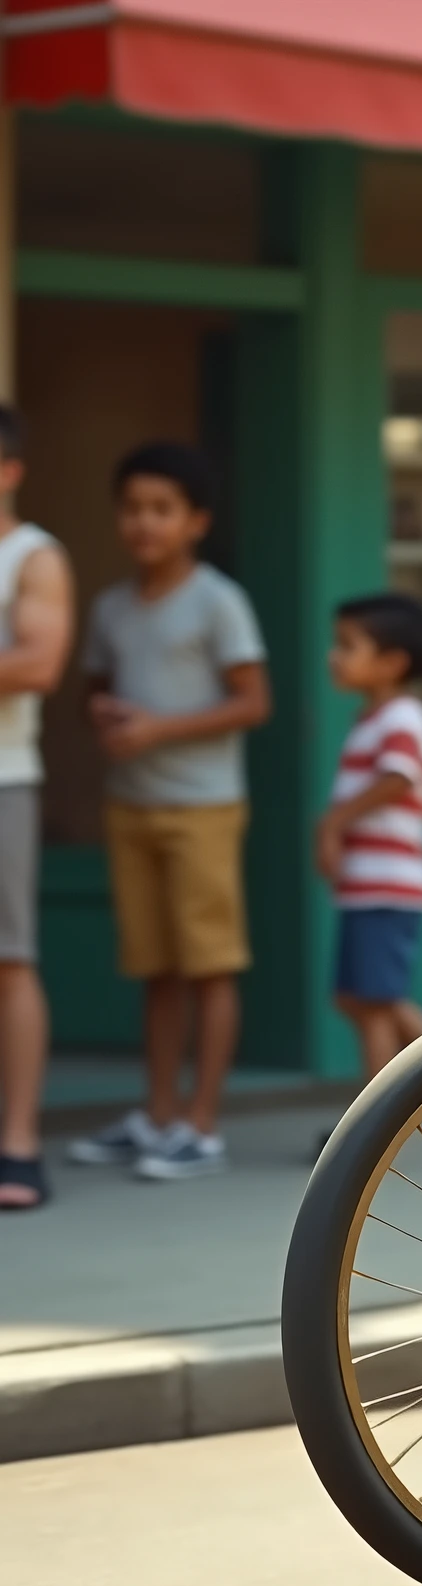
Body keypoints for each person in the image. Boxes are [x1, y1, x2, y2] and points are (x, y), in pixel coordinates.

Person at [67, 443, 270, 1179]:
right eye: (132, 508)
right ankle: (157, 1116)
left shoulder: (218, 599)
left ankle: (202, 1125)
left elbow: (253, 701)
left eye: (162, 509)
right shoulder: (110, 606)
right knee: (156, 970)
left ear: (196, 521)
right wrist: (110, 716)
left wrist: (156, 728)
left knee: (209, 968)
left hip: (203, 808)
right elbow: (96, 684)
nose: (143, 523)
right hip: (133, 805)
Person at [319, 593, 422, 1082]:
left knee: (373, 1004)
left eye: (348, 645)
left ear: (392, 663)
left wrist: (333, 823)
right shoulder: (371, 720)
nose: (335, 655)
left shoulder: (401, 718)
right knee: (355, 997)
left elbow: (400, 775)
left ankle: (371, 1125)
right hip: (366, 886)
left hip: (389, 885)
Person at [0, 406, 74, 1211]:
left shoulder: (33, 557)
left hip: (4, 778)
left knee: (9, 962)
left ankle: (17, 1145)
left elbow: (37, 662)